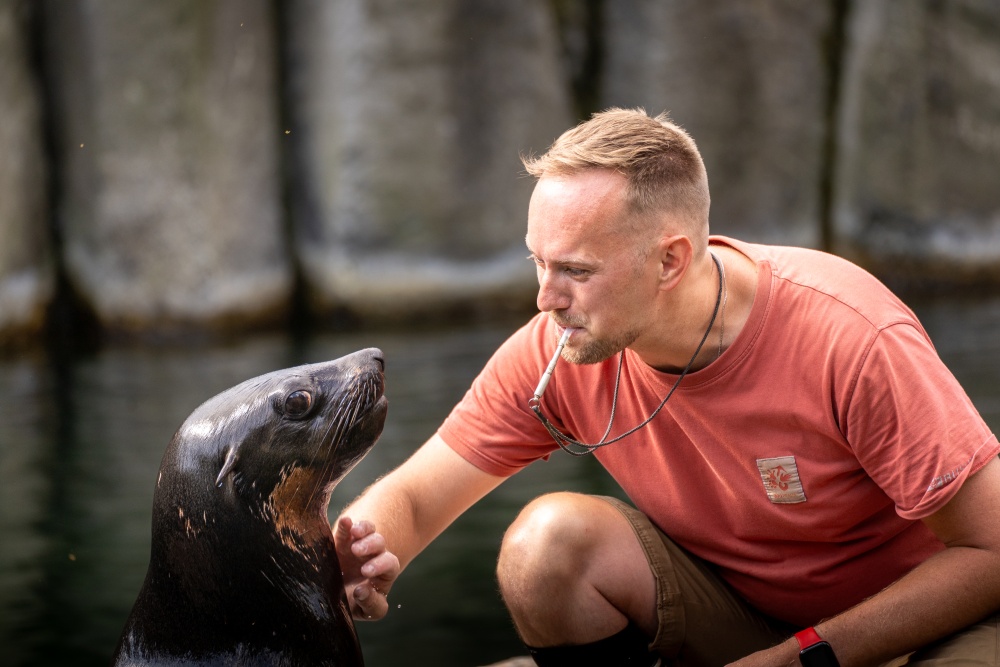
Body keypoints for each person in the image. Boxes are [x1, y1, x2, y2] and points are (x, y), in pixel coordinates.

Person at [333, 108, 1000, 666]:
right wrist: (365, 550)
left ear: (671, 259)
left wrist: (802, 656)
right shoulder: (564, 349)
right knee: (546, 546)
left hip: (925, 626)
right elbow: (417, 497)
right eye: (537, 261)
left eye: (576, 270)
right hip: (746, 623)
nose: (544, 297)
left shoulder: (848, 336)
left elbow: (990, 548)